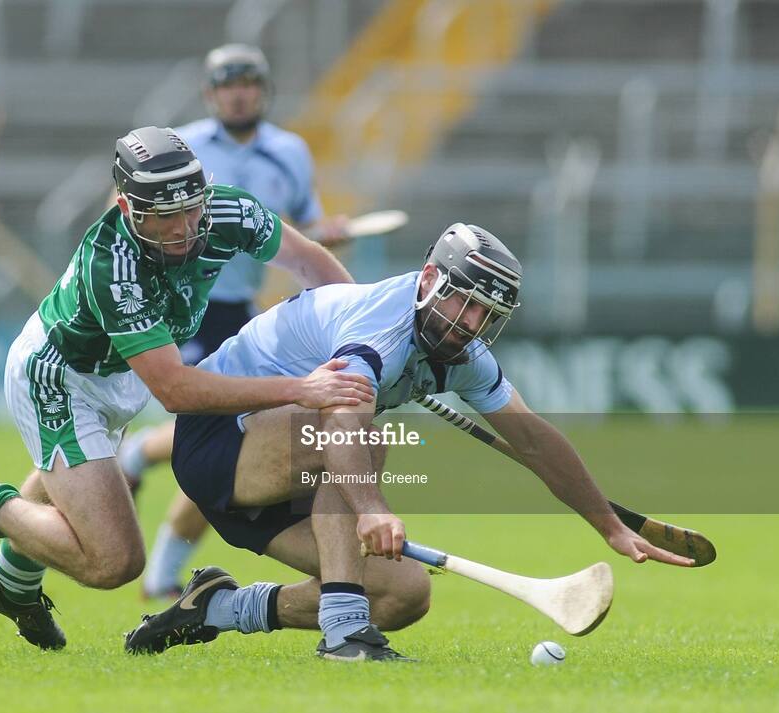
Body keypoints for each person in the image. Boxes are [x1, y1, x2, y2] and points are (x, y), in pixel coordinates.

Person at [123, 223, 695, 662]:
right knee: (362, 432)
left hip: (286, 472)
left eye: (486, 314)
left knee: (403, 595)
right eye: (463, 301)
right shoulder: (384, 327)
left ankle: (218, 608)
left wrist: (610, 525)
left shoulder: (465, 356)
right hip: (220, 443)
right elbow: (342, 425)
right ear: (428, 281)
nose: (470, 322)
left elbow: (536, 442)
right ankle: (344, 634)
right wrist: (371, 508)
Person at [0, 126, 374, 651]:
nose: (184, 229)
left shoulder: (229, 211)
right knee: (114, 561)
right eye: (164, 216)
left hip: (120, 374)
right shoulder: (114, 264)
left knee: (68, 478)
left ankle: (13, 584)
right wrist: (301, 389)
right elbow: (175, 390)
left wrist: (360, 347)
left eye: (192, 209)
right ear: (127, 208)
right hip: (60, 378)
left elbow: (311, 263)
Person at [118, 43, 349, 599]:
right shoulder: (185, 147)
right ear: (210, 93)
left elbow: (304, 228)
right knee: (209, 425)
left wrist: (327, 234)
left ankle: (161, 572)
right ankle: (141, 471)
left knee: (225, 440)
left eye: (248, 81)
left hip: (241, 314)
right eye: (227, 83)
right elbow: (126, 213)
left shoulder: (290, 152)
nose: (238, 91)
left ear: (263, 90)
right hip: (181, 310)